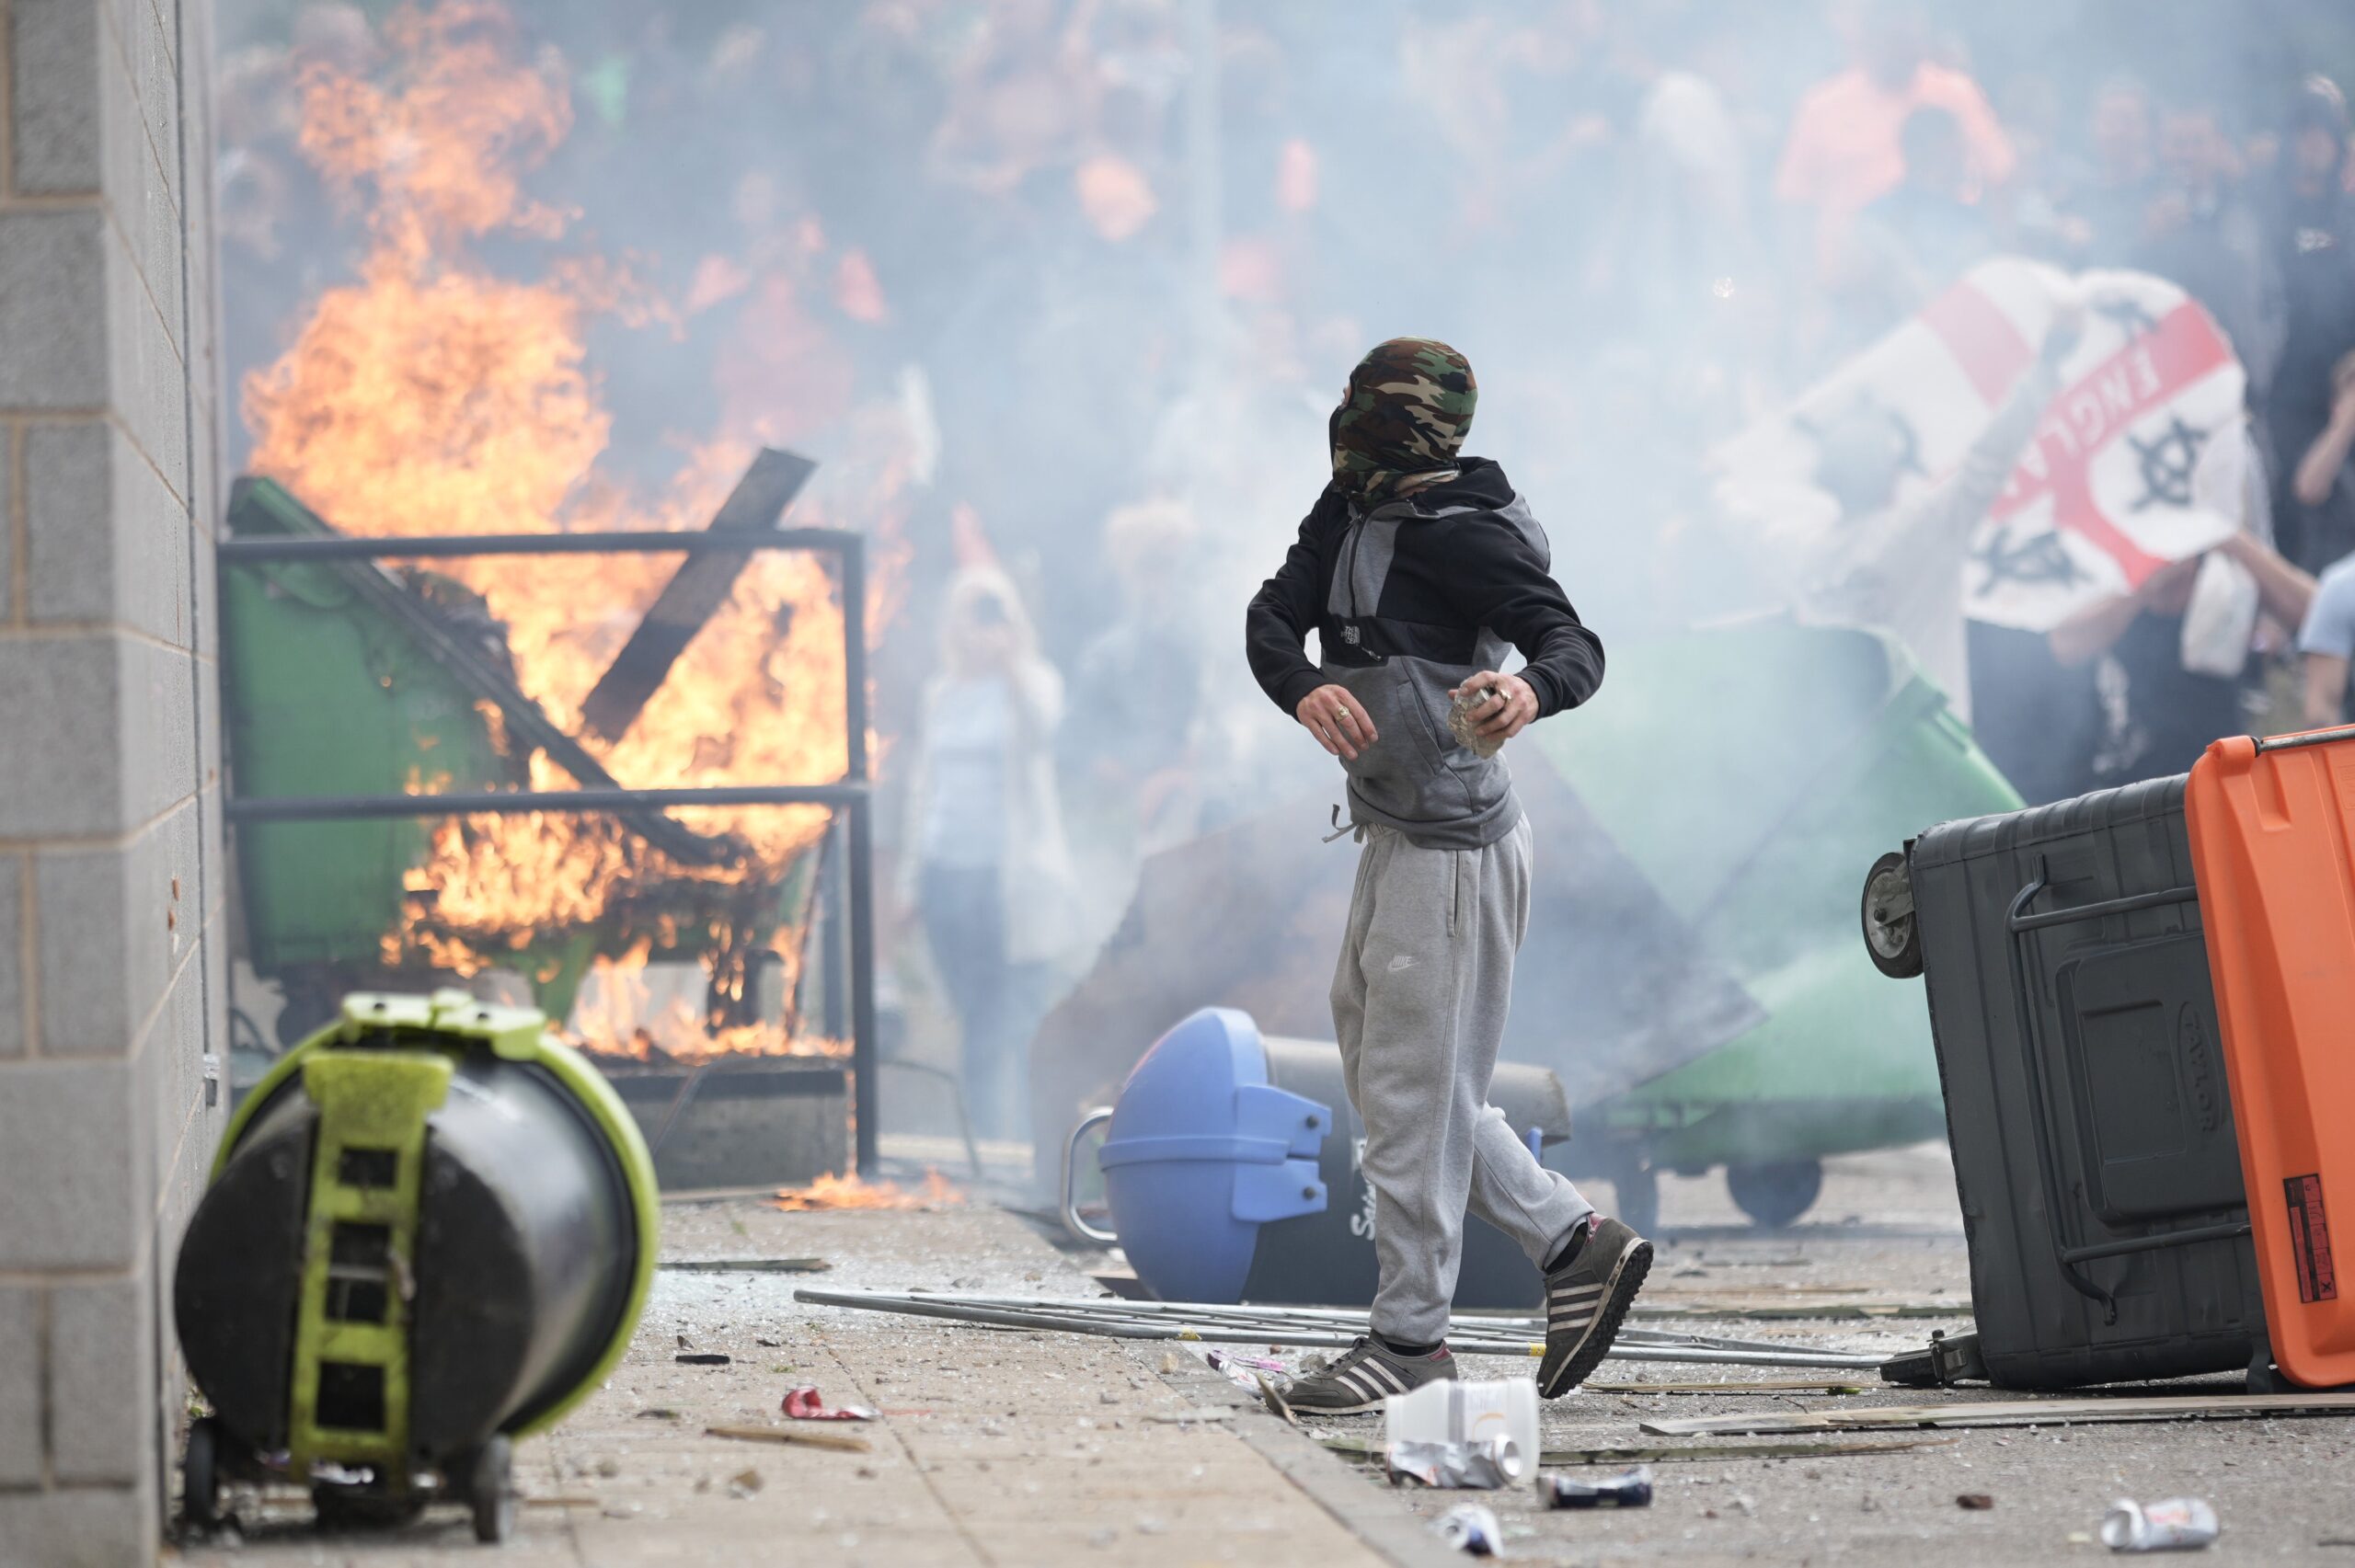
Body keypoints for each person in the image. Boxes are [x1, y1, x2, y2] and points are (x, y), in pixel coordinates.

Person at [1243, 338, 1638, 1413]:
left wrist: (1530, 695)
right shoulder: (1346, 507)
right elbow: (1271, 614)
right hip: (1390, 832)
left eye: (1367, 414)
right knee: (1394, 1076)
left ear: (1412, 430)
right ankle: (1570, 1239)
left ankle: (1411, 1339)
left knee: (1414, 1095)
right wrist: (1301, 685)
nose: (1346, 429)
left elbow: (1571, 640)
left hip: (1454, 854)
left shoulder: (1466, 537)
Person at [898, 567, 1079, 1142]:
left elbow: (1047, 737)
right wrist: (908, 883)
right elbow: (921, 792)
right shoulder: (941, 693)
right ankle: (986, 1139)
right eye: (973, 614)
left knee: (1014, 1014)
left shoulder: (1034, 683)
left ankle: (1023, 1145)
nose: (982, 628)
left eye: (993, 613)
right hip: (945, 870)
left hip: (1012, 880)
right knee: (974, 1013)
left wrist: (1010, 670)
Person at [1774, 1, 2012, 288]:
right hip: (1852, 290)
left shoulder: (1955, 94)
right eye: (1892, 29)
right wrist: (1806, 292)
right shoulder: (1823, 107)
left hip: (1950, 279)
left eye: (1911, 26)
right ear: (1868, 36)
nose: (1903, 40)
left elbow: (2000, 177)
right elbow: (1794, 205)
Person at [2264, 77, 2355, 573]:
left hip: (2344, 389)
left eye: (2324, 132)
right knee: (2289, 508)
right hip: (2283, 395)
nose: (2314, 143)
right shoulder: (2265, 212)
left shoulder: (2350, 216)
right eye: (2304, 131)